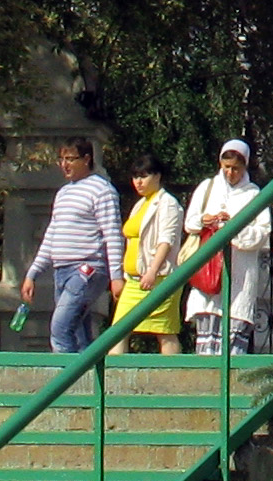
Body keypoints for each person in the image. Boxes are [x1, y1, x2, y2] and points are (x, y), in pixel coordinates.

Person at [26, 139, 120, 354]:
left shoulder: (102, 190)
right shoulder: (64, 193)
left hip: (86, 270)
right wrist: (33, 273)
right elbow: (52, 235)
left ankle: (65, 381)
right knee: (78, 333)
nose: (64, 165)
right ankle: (91, 379)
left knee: (60, 329)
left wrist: (116, 276)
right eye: (62, 159)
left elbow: (112, 234)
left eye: (70, 159)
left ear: (86, 159)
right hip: (62, 270)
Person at [184, 138, 269, 356]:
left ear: (245, 167)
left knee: (232, 341)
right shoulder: (208, 187)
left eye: (236, 169)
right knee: (206, 342)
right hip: (209, 272)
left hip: (239, 274)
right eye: (227, 168)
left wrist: (233, 229)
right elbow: (190, 222)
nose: (231, 173)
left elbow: (262, 233)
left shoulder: (253, 194)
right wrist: (208, 220)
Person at [117, 160, 187, 354]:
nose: (138, 182)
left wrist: (152, 271)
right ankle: (114, 378)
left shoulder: (168, 203)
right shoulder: (140, 204)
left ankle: (172, 377)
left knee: (164, 331)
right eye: (135, 177)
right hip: (133, 281)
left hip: (160, 279)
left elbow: (166, 239)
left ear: (157, 176)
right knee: (119, 330)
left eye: (144, 176)